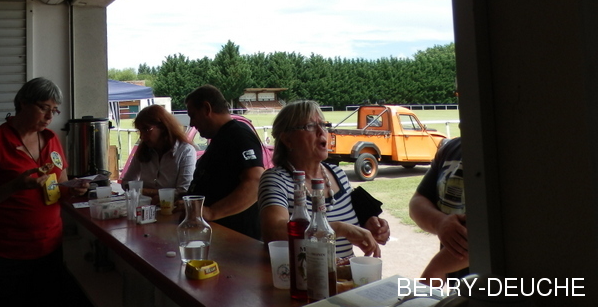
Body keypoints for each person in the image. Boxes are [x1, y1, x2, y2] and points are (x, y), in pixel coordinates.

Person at [0, 77, 90, 306]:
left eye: (54, 110)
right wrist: (14, 186)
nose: (50, 116)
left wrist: (74, 189)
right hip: (0, 255)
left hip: (48, 248)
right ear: (23, 103)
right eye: (44, 108)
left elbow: (60, 187)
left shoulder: (51, 139)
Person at [258, 100, 390, 259]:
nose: (322, 131)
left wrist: (371, 224)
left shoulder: (338, 174)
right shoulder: (276, 180)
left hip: (345, 272)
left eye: (323, 125)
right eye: (310, 126)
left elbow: (352, 218)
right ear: (287, 140)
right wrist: (338, 229)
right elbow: (273, 232)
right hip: (305, 273)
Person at [185, 84, 265, 239]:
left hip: (236, 239)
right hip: (217, 235)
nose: (191, 123)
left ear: (207, 109)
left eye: (193, 115)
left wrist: (211, 212)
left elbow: (255, 182)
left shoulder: (239, 135)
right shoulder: (220, 137)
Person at [409, 136, 468, 282]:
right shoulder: (451, 148)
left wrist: (436, 269)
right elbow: (418, 201)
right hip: (458, 284)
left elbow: (487, 233)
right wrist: (440, 222)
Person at [121, 104, 196, 200]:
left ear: (163, 127)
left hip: (170, 207)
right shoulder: (143, 150)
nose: (142, 137)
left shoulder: (185, 151)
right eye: (140, 131)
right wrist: (136, 188)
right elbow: (126, 182)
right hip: (144, 205)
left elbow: (183, 191)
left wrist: (144, 191)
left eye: (147, 130)